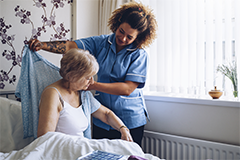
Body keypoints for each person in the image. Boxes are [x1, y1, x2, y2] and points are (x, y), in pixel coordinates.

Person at [29, 1, 157, 146]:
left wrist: (92, 85)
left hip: (130, 118)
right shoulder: (101, 43)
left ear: (138, 38)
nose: (123, 38)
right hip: (102, 120)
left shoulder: (139, 55)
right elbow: (71, 46)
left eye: (129, 37)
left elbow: (127, 89)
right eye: (121, 31)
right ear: (117, 24)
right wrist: (42, 45)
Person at [37, 48, 133, 143]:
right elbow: (45, 139)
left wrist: (123, 128)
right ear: (71, 76)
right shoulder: (53, 94)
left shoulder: (83, 94)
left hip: (80, 149)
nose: (91, 82)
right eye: (88, 78)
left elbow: (106, 114)